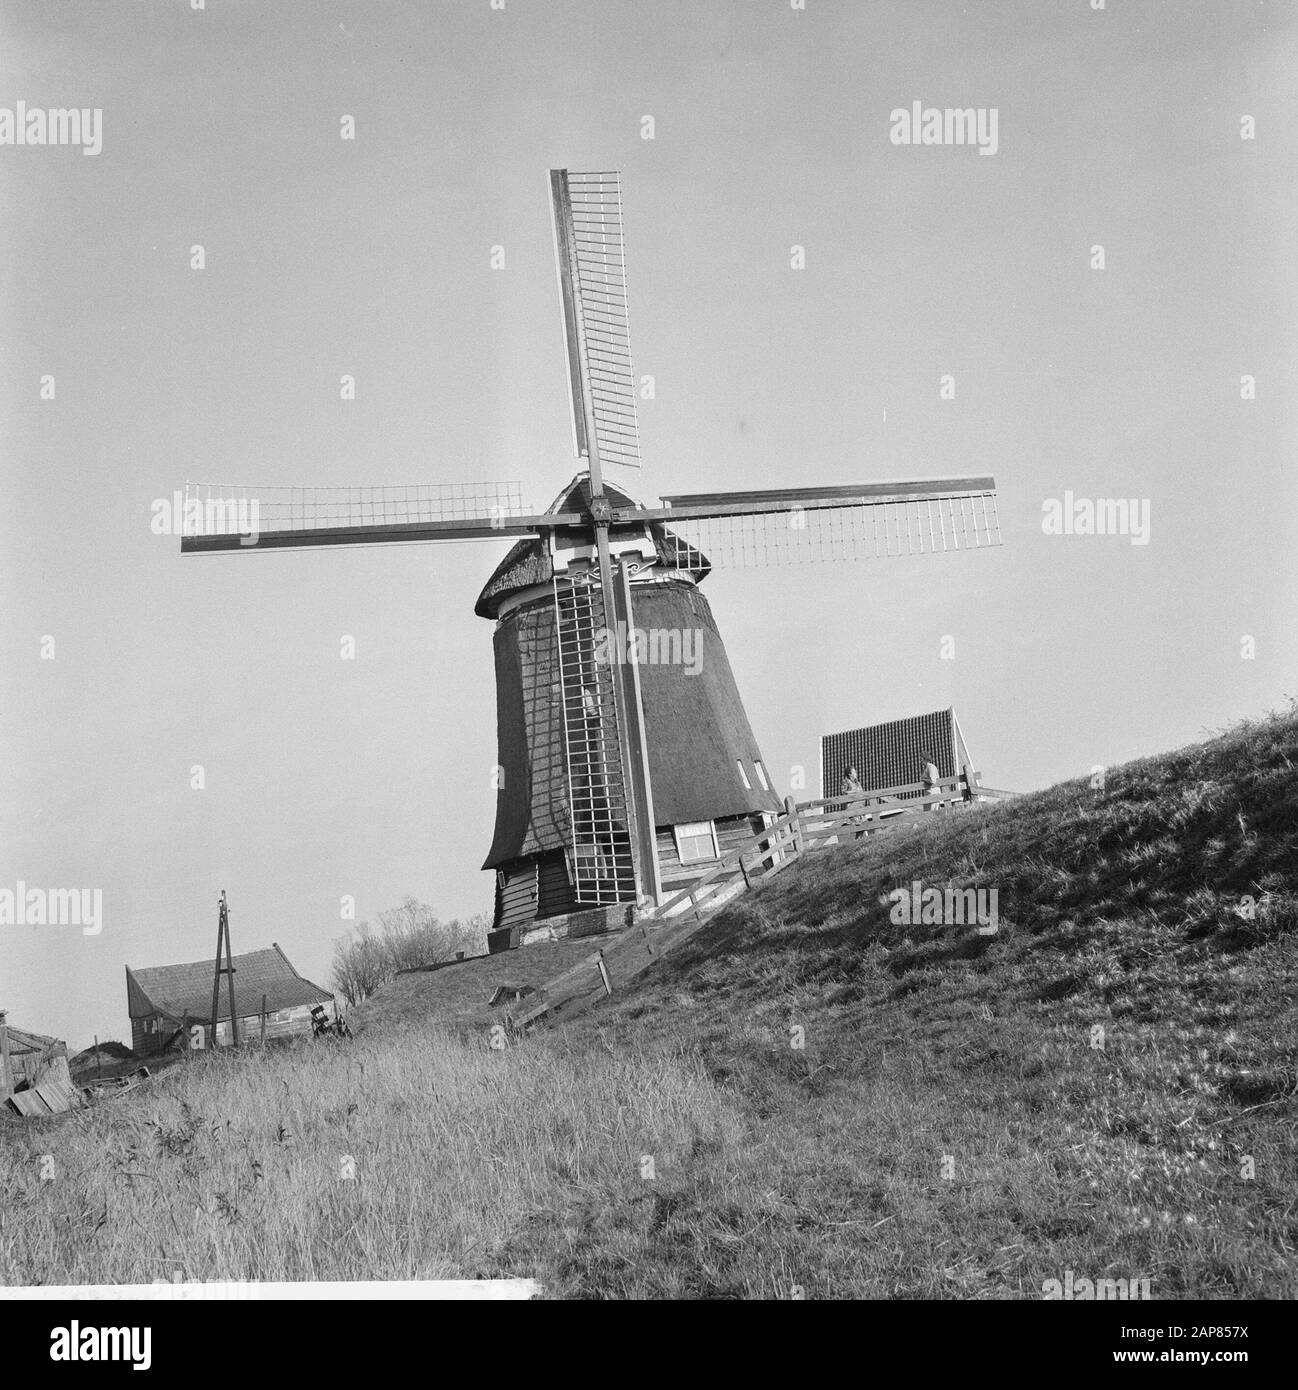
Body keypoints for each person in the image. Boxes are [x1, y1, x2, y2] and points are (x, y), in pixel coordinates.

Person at [839, 765, 868, 838]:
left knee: (863, 823)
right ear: (850, 774)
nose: (856, 773)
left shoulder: (858, 783)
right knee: (858, 825)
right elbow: (844, 793)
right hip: (851, 808)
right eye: (854, 772)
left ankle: (859, 840)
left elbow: (862, 793)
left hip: (860, 807)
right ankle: (865, 839)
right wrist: (855, 793)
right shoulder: (845, 781)